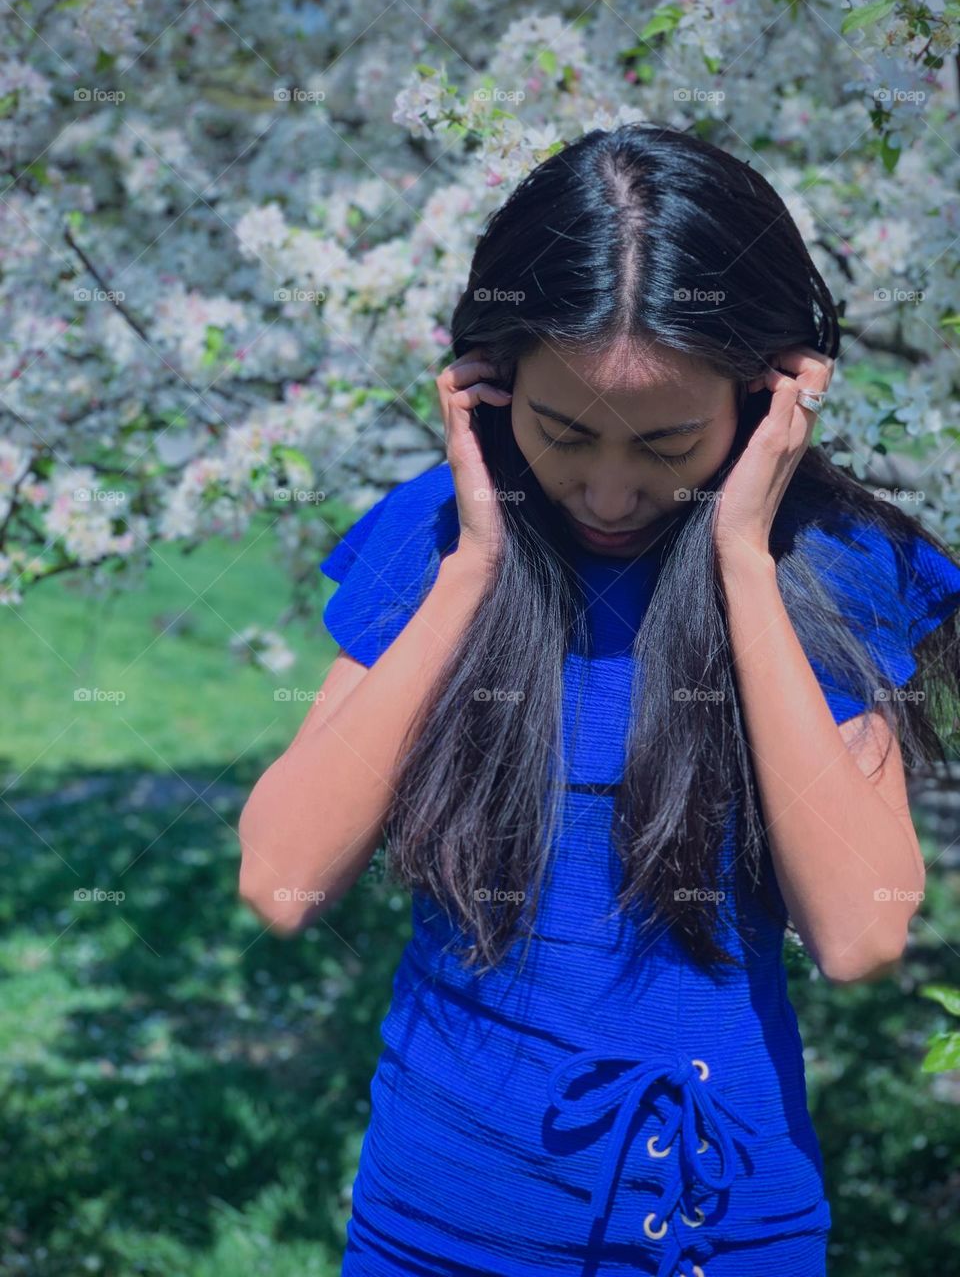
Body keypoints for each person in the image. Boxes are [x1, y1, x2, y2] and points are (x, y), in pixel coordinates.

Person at [238, 124, 960, 1277]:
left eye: (669, 439)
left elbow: (862, 929)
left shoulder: (829, 565)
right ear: (491, 380)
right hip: (436, 1226)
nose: (611, 488)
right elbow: (282, 878)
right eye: (563, 432)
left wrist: (743, 558)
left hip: (721, 1230)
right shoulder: (435, 535)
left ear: (767, 392)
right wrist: (472, 564)